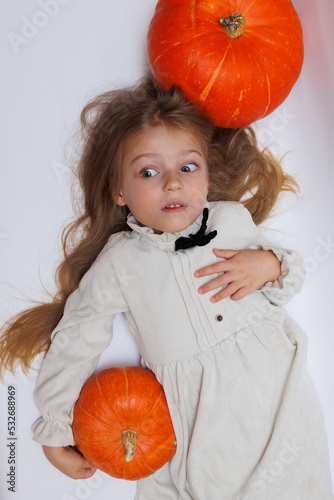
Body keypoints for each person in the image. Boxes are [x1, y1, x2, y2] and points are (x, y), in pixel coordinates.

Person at [0, 73, 333, 499]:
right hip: (199, 420)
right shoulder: (120, 263)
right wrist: (54, 427)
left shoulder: (231, 220)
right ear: (119, 191)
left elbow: (290, 279)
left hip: (277, 395)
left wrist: (269, 264)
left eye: (187, 167)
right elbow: (78, 336)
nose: (172, 182)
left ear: (207, 177)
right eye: (149, 171)